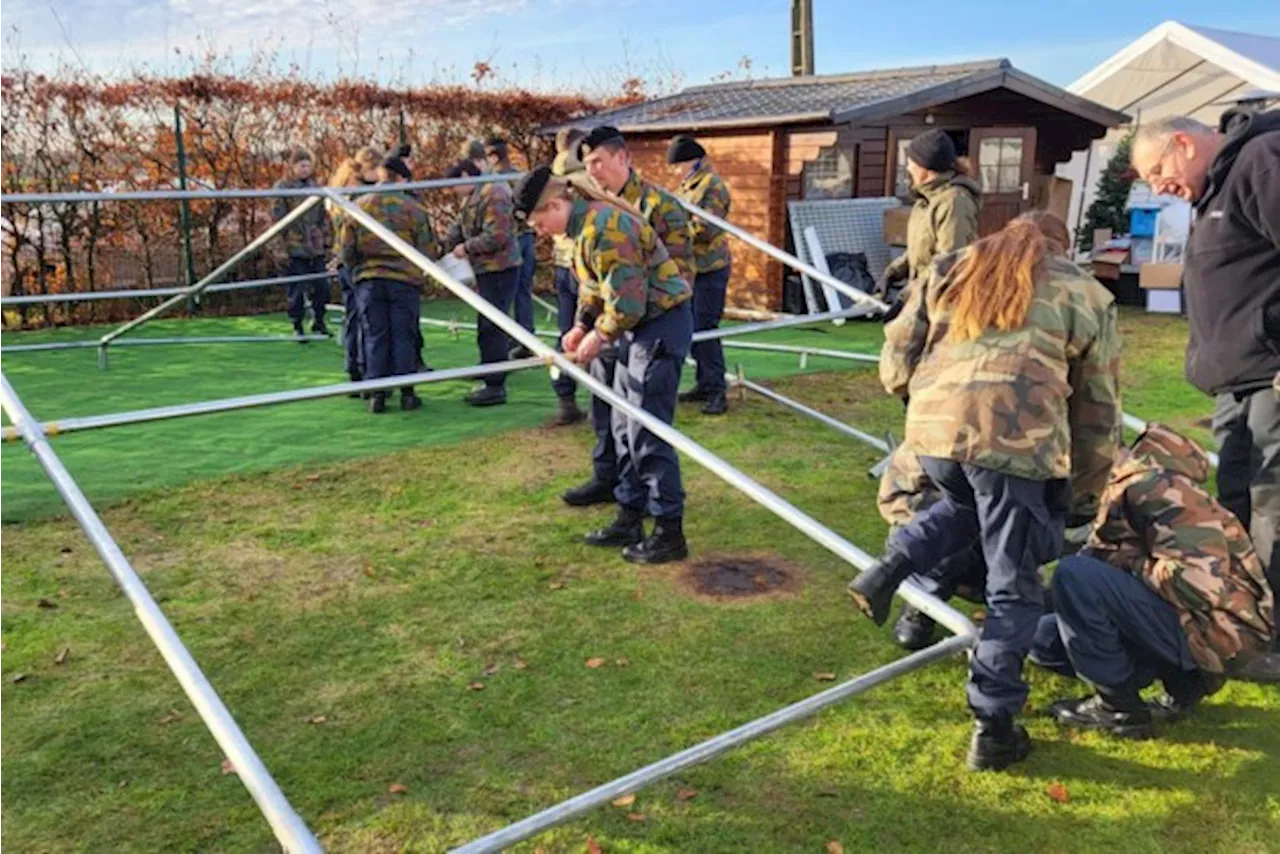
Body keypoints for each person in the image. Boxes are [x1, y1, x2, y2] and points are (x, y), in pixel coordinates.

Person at [848, 211, 1122, 771]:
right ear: (1060, 247)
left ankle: (888, 568)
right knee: (1013, 588)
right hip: (1016, 443)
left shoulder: (953, 266)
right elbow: (1098, 407)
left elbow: (898, 351)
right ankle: (993, 725)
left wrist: (923, 403)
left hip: (938, 436)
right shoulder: (1082, 290)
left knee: (962, 506)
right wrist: (1086, 494)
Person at [1129, 111, 1280, 644]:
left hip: (1270, 375)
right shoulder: (1212, 191)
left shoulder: (1260, 161)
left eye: (1156, 171)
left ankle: (1270, 632)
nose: (1158, 186)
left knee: (1272, 503)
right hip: (1235, 379)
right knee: (1236, 500)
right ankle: (1239, 615)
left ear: (1183, 144)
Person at [1030, 424, 1275, 738]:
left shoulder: (1157, 488)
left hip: (1221, 631)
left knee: (1074, 572)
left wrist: (1124, 563)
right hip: (1201, 625)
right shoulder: (1127, 488)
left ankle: (1118, 707)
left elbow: (1199, 584)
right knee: (1043, 638)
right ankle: (1182, 684)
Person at [514, 165, 694, 563]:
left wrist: (599, 335)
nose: (540, 231)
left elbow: (628, 301)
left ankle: (669, 531)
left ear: (556, 205)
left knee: (647, 430)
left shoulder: (605, 227)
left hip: (657, 327)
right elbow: (595, 287)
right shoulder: (583, 229)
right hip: (637, 328)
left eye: (539, 221)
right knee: (622, 427)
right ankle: (629, 515)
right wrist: (581, 325)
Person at [558, 125, 695, 508]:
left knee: (641, 420)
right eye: (588, 164)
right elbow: (594, 281)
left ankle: (647, 500)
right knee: (605, 411)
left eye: (600, 161)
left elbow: (679, 276)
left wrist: (621, 319)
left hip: (644, 325)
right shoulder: (590, 210)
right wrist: (586, 322)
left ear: (623, 158)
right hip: (610, 325)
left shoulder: (660, 206)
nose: (595, 170)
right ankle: (611, 480)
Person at [337, 154, 440, 414]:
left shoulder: (358, 206)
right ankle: (407, 392)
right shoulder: (414, 209)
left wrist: (357, 270)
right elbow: (427, 248)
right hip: (404, 280)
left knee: (374, 335)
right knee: (403, 335)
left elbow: (346, 249)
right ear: (400, 177)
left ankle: (377, 395)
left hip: (369, 280)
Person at [444, 156, 523, 407]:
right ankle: (489, 368)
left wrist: (465, 248)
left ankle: (495, 384)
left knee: (493, 323)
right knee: (486, 322)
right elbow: (460, 225)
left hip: (500, 267)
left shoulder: (493, 193)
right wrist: (449, 243)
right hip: (485, 268)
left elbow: (497, 235)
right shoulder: (473, 196)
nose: (454, 192)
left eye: (455, 186)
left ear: (466, 178)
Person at [874, 130, 981, 313]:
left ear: (925, 168)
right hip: (923, 295)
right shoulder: (924, 201)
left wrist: (907, 295)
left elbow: (949, 261)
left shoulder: (954, 202)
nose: (907, 167)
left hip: (945, 301)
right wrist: (893, 272)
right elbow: (920, 250)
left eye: (910, 162)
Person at [668, 135, 733, 416]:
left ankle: (717, 389)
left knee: (706, 328)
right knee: (692, 326)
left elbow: (707, 228)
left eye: (677, 164)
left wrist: (673, 234)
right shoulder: (686, 185)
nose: (674, 171)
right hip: (692, 267)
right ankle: (703, 384)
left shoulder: (713, 187)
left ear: (691, 160)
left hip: (710, 267)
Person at [326, 147, 382, 389]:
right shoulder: (361, 196)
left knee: (352, 317)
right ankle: (366, 367)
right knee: (367, 319)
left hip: (344, 261)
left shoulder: (337, 196)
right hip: (359, 263)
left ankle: (352, 367)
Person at [547, 128, 589, 427]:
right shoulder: (584, 178)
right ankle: (606, 399)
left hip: (562, 263)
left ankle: (566, 399)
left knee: (567, 333)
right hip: (583, 264)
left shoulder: (551, 180)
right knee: (595, 329)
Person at [272, 146, 333, 339]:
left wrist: (327, 240)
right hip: (294, 246)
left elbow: (323, 216)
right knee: (296, 289)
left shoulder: (315, 187)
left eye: (308, 165)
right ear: (292, 166)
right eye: (301, 165)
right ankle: (297, 325)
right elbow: (276, 220)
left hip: (315, 246)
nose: (305, 169)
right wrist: (280, 248)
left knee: (322, 286)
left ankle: (319, 320)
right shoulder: (282, 188)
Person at [487, 137, 538, 349]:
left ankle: (507, 338)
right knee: (523, 291)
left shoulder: (495, 181)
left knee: (504, 292)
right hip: (528, 237)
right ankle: (526, 336)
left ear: (493, 156)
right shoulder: (521, 175)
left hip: (511, 240)